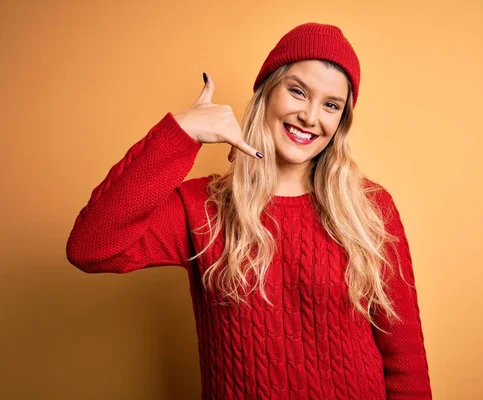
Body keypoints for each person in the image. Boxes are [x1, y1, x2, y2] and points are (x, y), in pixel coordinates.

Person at [66, 22, 432, 399]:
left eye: (330, 105)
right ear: (266, 94)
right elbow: (91, 249)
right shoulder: (202, 206)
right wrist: (180, 132)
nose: (310, 116)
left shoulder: (369, 207)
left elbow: (405, 359)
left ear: (340, 122)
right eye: (297, 91)